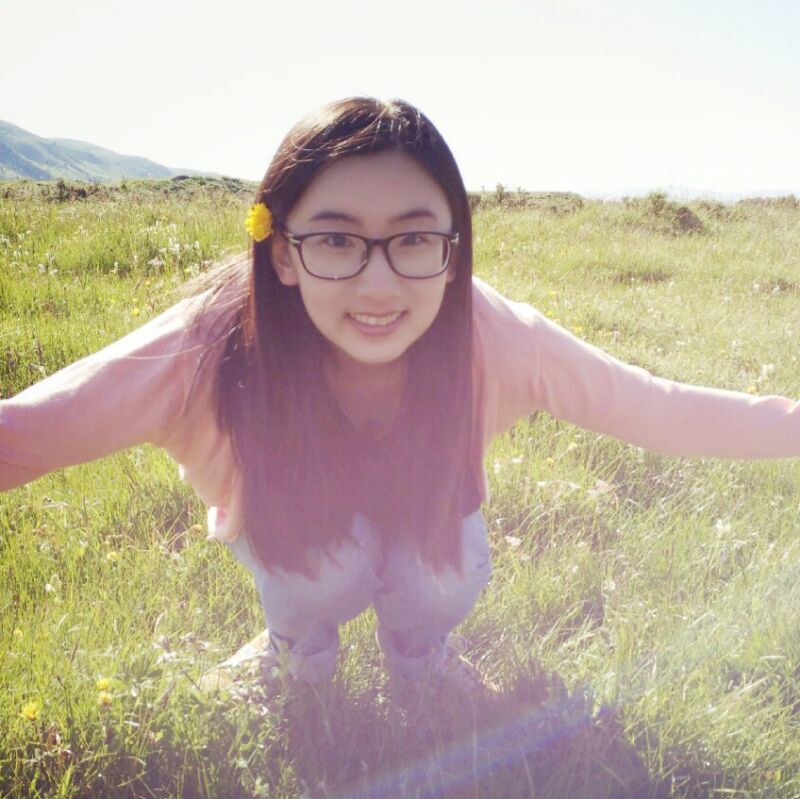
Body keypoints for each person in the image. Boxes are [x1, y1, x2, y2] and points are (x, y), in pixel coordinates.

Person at [2, 97, 799, 700]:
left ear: (454, 250)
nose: (379, 285)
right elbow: (34, 429)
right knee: (321, 572)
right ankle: (294, 654)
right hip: (294, 533)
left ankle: (422, 659)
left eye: (414, 238)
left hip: (427, 517)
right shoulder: (208, 346)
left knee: (445, 574)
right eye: (336, 239)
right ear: (282, 254)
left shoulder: (493, 335)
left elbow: (656, 406)